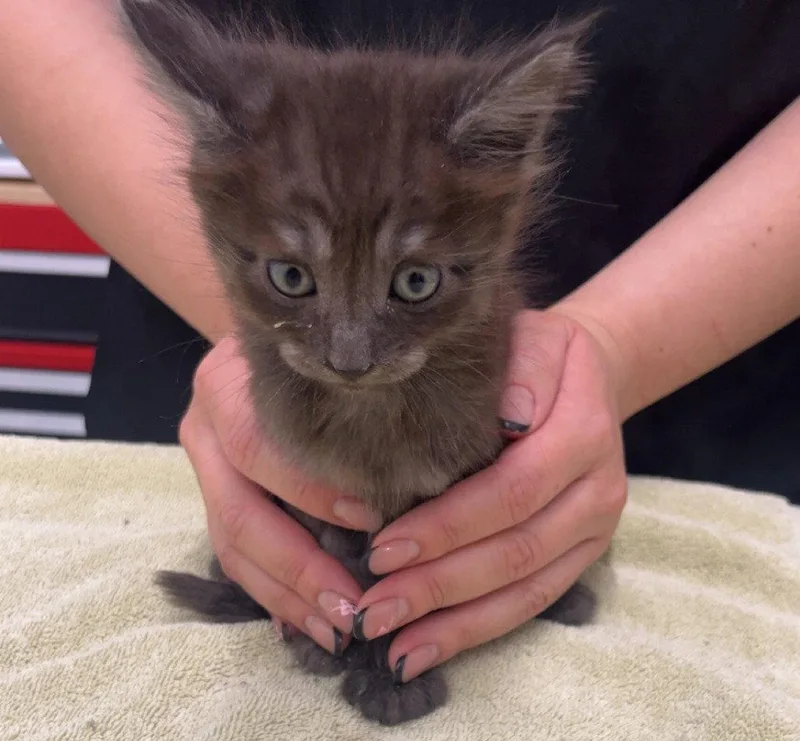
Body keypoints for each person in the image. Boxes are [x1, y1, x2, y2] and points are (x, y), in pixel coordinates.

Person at [1, 0, 798, 678]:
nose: (350, 358)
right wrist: (253, 324)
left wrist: (615, 346)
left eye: (411, 286)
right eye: (294, 277)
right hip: (185, 308)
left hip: (723, 339)